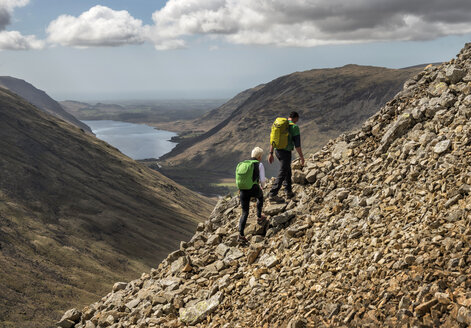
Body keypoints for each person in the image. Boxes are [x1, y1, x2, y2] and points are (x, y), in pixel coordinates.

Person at [268, 111, 304, 201]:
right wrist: (301, 157)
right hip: (285, 152)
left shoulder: (281, 125)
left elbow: (274, 139)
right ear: (296, 118)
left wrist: (271, 153)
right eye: (297, 119)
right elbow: (297, 145)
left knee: (287, 170)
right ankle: (273, 193)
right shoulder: (294, 127)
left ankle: (288, 192)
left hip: (277, 151)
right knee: (283, 171)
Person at [238, 146, 267, 244]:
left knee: (244, 212)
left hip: (243, 190)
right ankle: (259, 216)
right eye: (261, 156)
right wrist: (262, 187)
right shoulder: (259, 164)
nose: (261, 158)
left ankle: (241, 235)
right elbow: (262, 180)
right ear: (259, 156)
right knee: (260, 196)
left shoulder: (244, 164)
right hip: (253, 188)